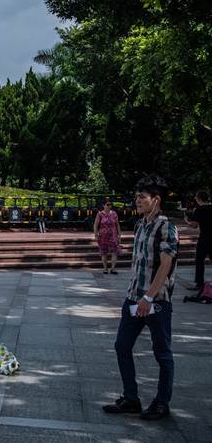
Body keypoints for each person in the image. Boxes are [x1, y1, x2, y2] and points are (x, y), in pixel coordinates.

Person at [103, 175, 178, 421]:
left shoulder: (166, 226)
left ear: (156, 200)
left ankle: (161, 403)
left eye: (142, 197)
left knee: (162, 353)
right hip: (133, 298)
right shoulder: (139, 225)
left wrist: (149, 297)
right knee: (121, 346)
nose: (137, 200)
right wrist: (137, 296)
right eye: (137, 196)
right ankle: (131, 398)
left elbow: (165, 265)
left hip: (156, 302)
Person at [184, 190, 212, 291]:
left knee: (199, 261)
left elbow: (195, 225)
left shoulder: (199, 209)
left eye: (196, 197)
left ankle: (199, 284)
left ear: (198, 198)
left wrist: (187, 221)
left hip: (204, 238)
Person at [94, 198, 121, 274]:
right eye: (107, 204)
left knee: (114, 252)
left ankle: (113, 268)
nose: (109, 206)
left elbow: (117, 224)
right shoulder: (100, 214)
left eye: (110, 204)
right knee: (104, 252)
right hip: (103, 235)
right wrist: (96, 235)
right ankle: (105, 268)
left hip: (113, 235)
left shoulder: (114, 213)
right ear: (103, 205)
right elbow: (95, 225)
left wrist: (119, 235)